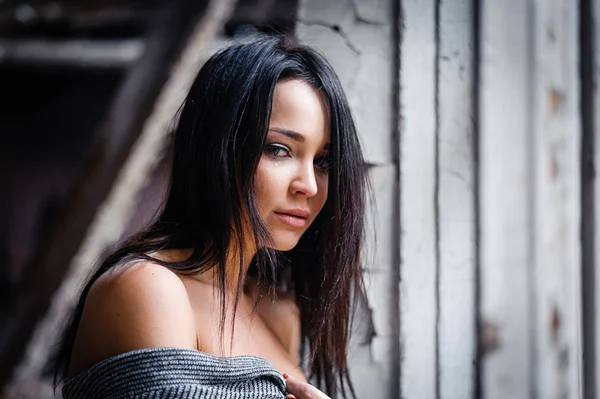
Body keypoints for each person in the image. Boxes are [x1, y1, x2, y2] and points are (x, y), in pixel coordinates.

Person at [52, 34, 367, 399]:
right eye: (279, 150)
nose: (309, 185)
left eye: (323, 160)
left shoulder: (280, 314)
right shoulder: (150, 289)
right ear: (217, 149)